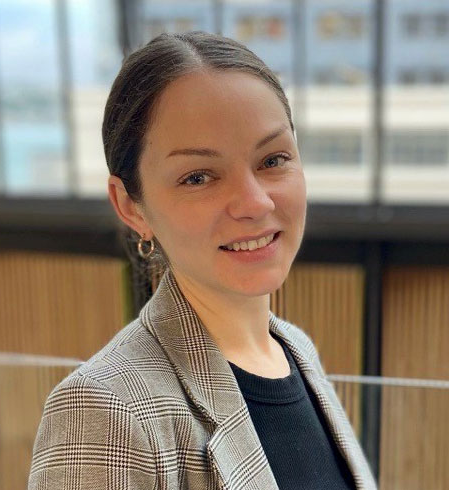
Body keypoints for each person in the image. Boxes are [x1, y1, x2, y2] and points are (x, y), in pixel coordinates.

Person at [28, 31, 377, 489]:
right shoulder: (106, 409)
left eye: (273, 160)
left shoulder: (296, 350)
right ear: (131, 206)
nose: (254, 203)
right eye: (198, 177)